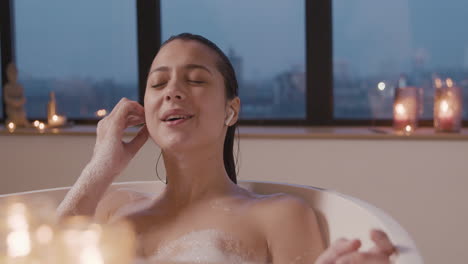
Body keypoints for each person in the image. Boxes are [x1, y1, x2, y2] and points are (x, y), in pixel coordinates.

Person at [57, 33, 395, 264]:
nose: (172, 91)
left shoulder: (278, 216)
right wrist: (99, 169)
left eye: (196, 79)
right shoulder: (111, 208)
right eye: (158, 83)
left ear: (231, 110)